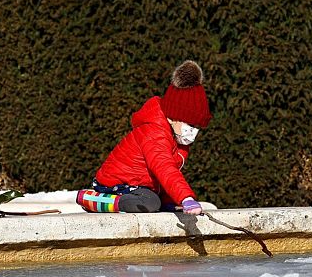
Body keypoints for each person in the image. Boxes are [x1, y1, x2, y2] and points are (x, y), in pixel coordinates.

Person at [76, 60, 212, 215]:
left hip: (139, 185)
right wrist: (185, 197)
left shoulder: (177, 139)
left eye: (197, 127)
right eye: (190, 125)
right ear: (174, 117)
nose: (193, 132)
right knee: (149, 202)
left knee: (156, 200)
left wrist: (171, 202)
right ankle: (92, 199)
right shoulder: (155, 133)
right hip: (115, 184)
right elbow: (164, 168)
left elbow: (165, 177)